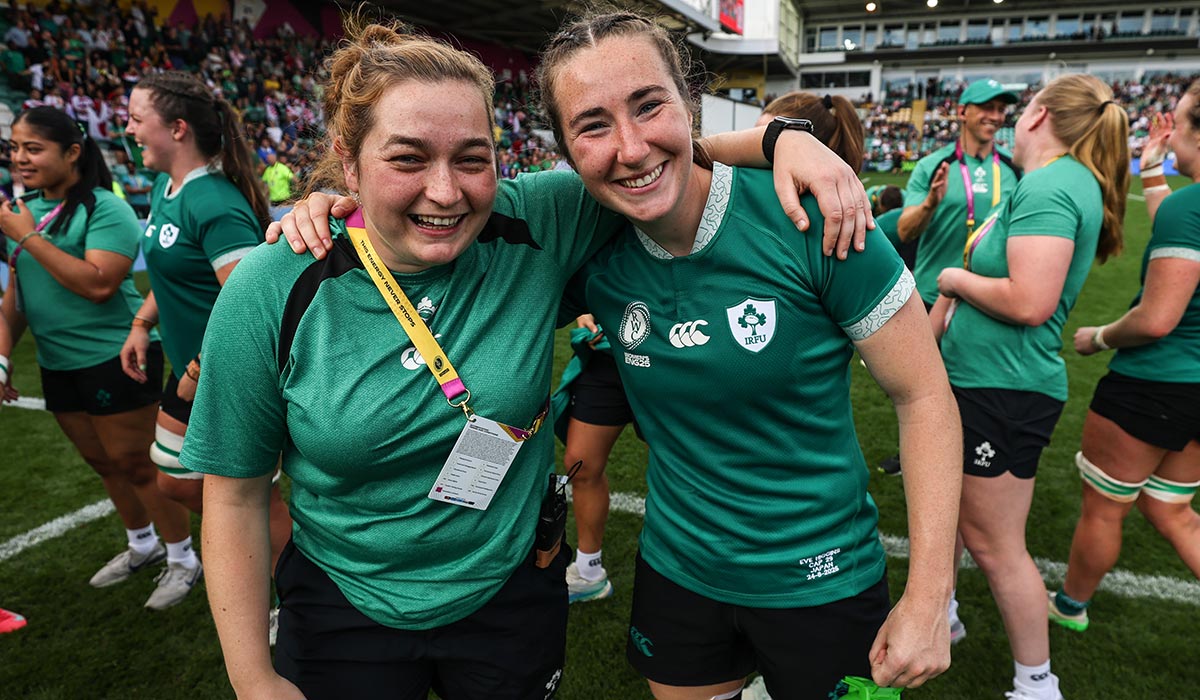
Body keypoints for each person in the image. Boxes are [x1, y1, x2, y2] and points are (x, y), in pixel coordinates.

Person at [185, 17, 872, 700]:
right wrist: (253, 680)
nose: (447, 191)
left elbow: (645, 157)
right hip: (345, 604)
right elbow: (236, 493)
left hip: (512, 593)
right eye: (407, 158)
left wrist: (785, 139)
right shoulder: (271, 287)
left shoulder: (537, 221)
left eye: (472, 158)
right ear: (349, 157)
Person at [929, 73, 1129, 700]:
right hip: (990, 383)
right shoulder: (1055, 183)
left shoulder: (1050, 184)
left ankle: (1036, 685)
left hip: (1003, 389)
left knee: (996, 545)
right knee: (960, 516)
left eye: (1021, 109)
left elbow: (1031, 301)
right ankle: (945, 616)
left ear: (1040, 115)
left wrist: (955, 280)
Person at [0, 106, 194, 609]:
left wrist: (25, 236)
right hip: (59, 363)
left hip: (116, 355)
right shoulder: (22, 211)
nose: (20, 158)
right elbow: (16, 299)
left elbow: (99, 284)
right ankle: (142, 545)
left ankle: (182, 559)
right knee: (102, 463)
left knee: (137, 463)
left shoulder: (104, 208)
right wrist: (3, 356)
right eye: (15, 147)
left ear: (71, 153)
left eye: (33, 148)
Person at [118, 71, 291, 605]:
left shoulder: (214, 202)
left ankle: (299, 595)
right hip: (195, 365)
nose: (126, 129)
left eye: (134, 118)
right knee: (184, 481)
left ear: (176, 128)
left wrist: (197, 369)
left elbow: (253, 305)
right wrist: (142, 322)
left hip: (222, 371)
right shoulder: (164, 187)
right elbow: (172, 273)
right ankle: (297, 584)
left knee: (239, 494)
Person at [1050, 80, 1200, 633]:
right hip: (1195, 391)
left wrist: (1100, 337)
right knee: (1171, 509)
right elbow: (1179, 225)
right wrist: (1154, 168)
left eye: (1178, 121)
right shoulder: (1186, 208)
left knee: (1105, 507)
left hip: (1154, 383)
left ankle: (1069, 606)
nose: (1169, 131)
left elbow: (1157, 319)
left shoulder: (1191, 208)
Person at [882, 79, 1021, 480]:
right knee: (922, 389)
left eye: (1000, 109)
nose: (995, 116)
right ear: (962, 112)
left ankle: (971, 456)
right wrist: (929, 203)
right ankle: (914, 452)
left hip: (985, 298)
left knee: (973, 388)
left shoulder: (1012, 168)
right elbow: (906, 231)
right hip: (930, 293)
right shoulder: (933, 166)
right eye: (986, 107)